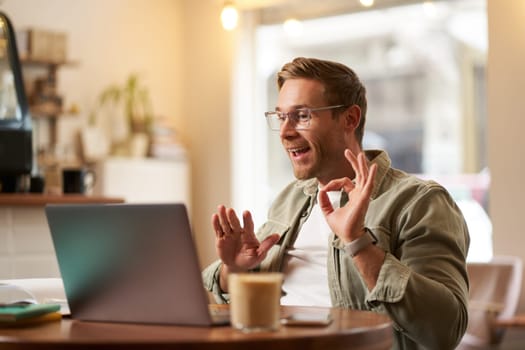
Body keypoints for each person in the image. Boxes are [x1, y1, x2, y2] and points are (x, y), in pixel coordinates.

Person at [202, 57, 469, 350]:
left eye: (302, 116)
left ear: (350, 119)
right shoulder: (290, 200)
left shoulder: (418, 202)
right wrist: (234, 270)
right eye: (281, 117)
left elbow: (445, 330)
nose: (285, 132)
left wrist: (358, 242)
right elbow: (229, 294)